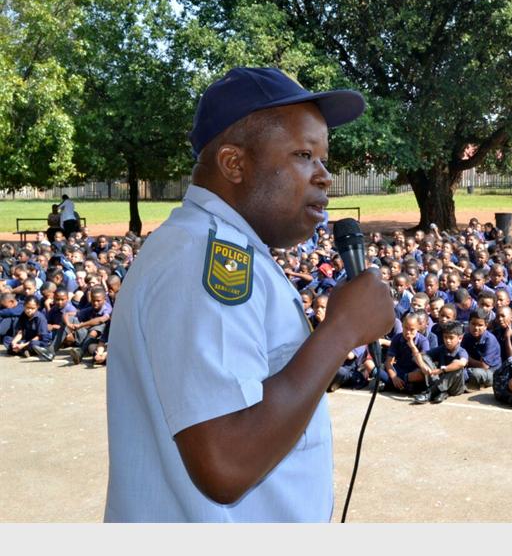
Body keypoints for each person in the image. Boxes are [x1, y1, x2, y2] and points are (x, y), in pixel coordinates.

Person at [104, 67, 394, 522]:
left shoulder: (220, 248)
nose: (325, 177)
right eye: (304, 154)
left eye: (323, 158)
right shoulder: (203, 259)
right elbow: (226, 464)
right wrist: (340, 332)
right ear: (234, 164)